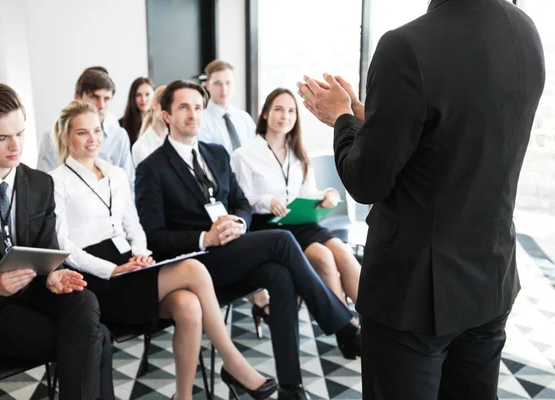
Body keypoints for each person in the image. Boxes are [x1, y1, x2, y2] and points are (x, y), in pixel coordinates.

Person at [297, 0, 546, 398]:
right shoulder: (524, 30)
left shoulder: (406, 45)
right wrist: (378, 123)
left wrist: (342, 119)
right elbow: (460, 139)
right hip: (491, 276)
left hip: (413, 291)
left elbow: (365, 182)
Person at [136, 80, 362, 400]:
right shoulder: (151, 168)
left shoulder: (215, 155)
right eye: (184, 107)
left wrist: (239, 223)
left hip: (229, 252)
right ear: (166, 115)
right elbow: (153, 236)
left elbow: (240, 202)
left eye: (198, 107)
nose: (193, 114)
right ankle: (343, 325)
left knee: (281, 276)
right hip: (194, 263)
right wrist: (205, 237)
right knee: (283, 240)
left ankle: (291, 387)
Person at [50, 100, 277, 400]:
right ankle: (234, 363)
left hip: (129, 263)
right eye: (82, 133)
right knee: (194, 269)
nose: (93, 139)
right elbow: (64, 246)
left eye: (97, 130)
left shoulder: (115, 173)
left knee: (188, 306)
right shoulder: (55, 180)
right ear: (66, 137)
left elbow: (134, 225)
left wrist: (140, 253)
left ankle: (182, 397)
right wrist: (112, 270)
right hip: (96, 276)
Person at [0, 83, 114, 399]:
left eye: (20, 133)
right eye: (1, 138)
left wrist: (53, 274)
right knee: (98, 337)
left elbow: (47, 249)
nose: (16, 146)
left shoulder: (41, 184)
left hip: (33, 293)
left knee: (85, 300)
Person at [231, 88, 362, 337]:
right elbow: (242, 201)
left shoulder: (298, 153)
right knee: (323, 257)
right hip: (269, 225)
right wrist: (267, 201)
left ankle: (376, 325)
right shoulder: (244, 155)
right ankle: (348, 331)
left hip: (300, 219)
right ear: (266, 114)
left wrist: (327, 195)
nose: (285, 116)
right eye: (279, 109)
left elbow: (307, 192)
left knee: (344, 255)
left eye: (291, 111)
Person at [36, 68, 135, 188]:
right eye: (94, 97)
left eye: (107, 99)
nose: (101, 105)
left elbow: (129, 183)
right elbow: (44, 184)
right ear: (77, 97)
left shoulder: (119, 136)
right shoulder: (51, 136)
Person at [200, 60, 256, 154]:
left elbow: (255, 151)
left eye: (228, 83)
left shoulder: (244, 118)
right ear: (208, 86)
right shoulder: (202, 121)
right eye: (218, 83)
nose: (224, 89)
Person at [132, 84, 168, 166]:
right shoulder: (141, 147)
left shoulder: (176, 140)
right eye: (166, 105)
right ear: (155, 104)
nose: (170, 111)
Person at [119, 77, 155, 146]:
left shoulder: (161, 122)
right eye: (138, 95)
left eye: (147, 94)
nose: (143, 99)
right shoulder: (122, 124)